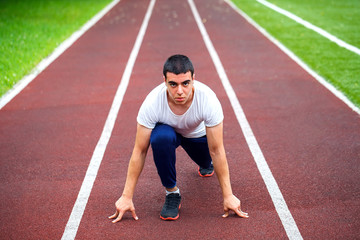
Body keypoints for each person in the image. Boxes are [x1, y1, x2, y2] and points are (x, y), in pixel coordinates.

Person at [109, 54, 248, 222]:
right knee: (161, 138)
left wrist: (228, 195)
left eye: (185, 83)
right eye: (173, 84)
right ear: (164, 81)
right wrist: (126, 196)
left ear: (193, 79)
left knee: (207, 162)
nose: (180, 91)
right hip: (169, 134)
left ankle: (205, 164)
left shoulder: (208, 100)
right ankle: (172, 192)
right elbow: (139, 150)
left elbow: (217, 149)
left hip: (197, 137)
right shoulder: (153, 102)